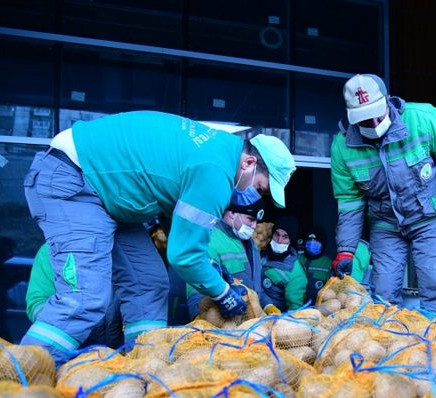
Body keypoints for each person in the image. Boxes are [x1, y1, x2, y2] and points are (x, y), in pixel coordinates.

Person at [20, 111, 296, 363]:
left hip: (112, 200)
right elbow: (183, 256)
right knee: (86, 298)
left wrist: (209, 268)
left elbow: (176, 221)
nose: (256, 196)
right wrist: (222, 292)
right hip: (76, 180)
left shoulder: (215, 152)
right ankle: (21, 375)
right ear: (249, 162)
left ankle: (145, 366)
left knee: (149, 283)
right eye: (260, 188)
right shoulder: (215, 172)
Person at [330, 74, 436, 312]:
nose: (374, 125)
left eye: (377, 116)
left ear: (387, 101)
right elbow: (350, 202)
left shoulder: (421, 119)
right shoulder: (342, 147)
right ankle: (389, 343)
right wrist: (346, 249)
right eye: (365, 121)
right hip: (385, 224)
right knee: (383, 292)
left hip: (429, 218)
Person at [186, 197, 280, 318]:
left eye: (257, 221)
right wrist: (198, 315)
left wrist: (267, 305)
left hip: (249, 321)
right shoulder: (210, 240)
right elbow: (196, 285)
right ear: (232, 213)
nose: (254, 225)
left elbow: (254, 287)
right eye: (250, 219)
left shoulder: (250, 243)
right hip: (225, 323)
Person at [26, 243, 124, 348]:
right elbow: (37, 302)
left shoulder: (134, 245)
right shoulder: (53, 247)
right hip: (69, 350)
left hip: (125, 352)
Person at [261, 216, 307, 312]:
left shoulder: (296, 273)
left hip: (272, 319)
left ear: (291, 240)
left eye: (285, 237)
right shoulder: (260, 253)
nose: (279, 240)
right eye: (276, 234)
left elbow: (295, 310)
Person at [298, 225, 332, 303]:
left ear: (323, 244)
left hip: (318, 310)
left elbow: (331, 292)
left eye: (316, 242)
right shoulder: (297, 259)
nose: (312, 244)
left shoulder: (328, 264)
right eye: (309, 241)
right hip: (296, 306)